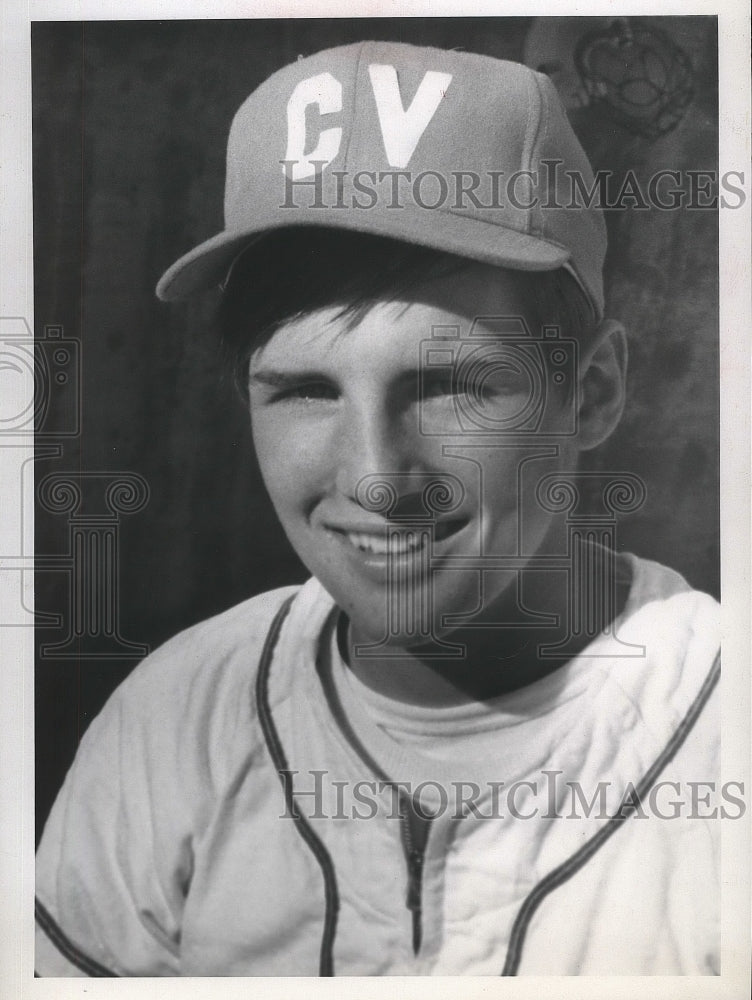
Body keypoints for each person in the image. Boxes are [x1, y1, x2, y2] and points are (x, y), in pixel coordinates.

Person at [35, 40, 720, 977]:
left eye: (448, 382)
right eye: (306, 389)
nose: (376, 477)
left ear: (592, 390)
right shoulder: (178, 712)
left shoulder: (724, 728)